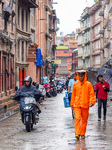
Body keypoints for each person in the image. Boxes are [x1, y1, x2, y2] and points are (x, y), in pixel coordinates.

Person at [70, 70, 95, 140]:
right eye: (80, 76)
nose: (81, 78)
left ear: (84, 76)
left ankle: (82, 133)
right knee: (77, 119)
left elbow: (91, 94)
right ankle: (77, 133)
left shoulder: (88, 84)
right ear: (78, 76)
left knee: (84, 120)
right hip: (77, 105)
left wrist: (91, 102)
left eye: (82, 76)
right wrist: (72, 103)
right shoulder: (75, 84)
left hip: (85, 104)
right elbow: (73, 95)